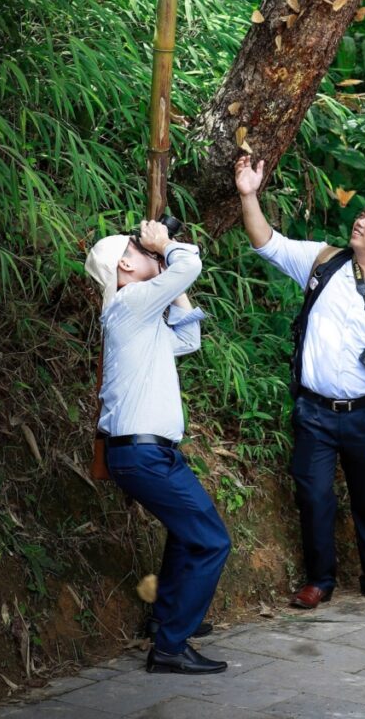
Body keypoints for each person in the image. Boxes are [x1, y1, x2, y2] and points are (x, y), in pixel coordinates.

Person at [235, 155, 365, 609]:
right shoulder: (324, 261)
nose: (360, 221)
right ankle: (320, 580)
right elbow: (266, 243)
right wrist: (248, 194)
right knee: (314, 497)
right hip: (314, 411)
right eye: (362, 215)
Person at [85, 220, 230, 675]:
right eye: (137, 246)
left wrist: (166, 269)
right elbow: (190, 265)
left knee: (191, 536)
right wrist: (165, 247)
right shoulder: (127, 303)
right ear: (125, 265)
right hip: (143, 454)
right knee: (212, 541)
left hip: (149, 454)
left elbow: (188, 338)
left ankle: (167, 619)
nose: (146, 247)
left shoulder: (138, 318)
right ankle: (169, 645)